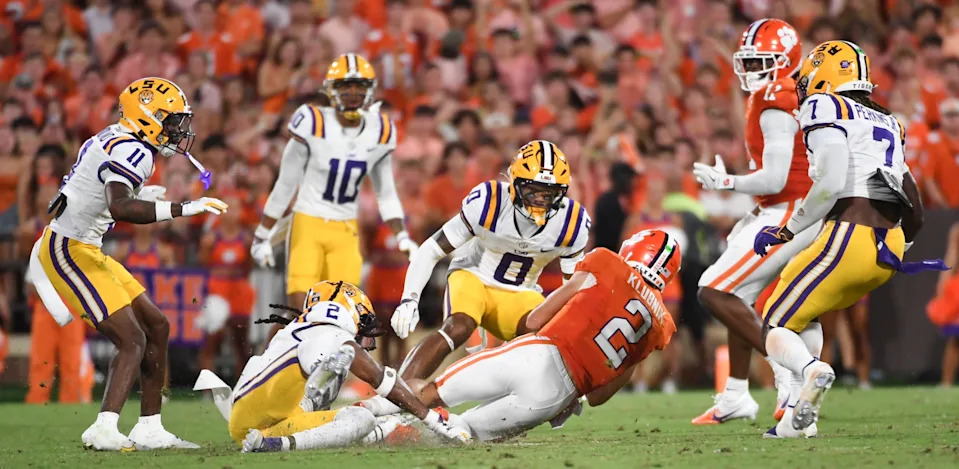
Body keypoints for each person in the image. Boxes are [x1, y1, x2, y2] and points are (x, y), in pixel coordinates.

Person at [754, 41, 946, 438]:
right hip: (889, 247)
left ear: (826, 74)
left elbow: (829, 183)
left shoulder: (825, 107)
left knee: (774, 321)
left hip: (849, 234)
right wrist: (894, 248)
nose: (805, 86)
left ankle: (812, 371)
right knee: (804, 314)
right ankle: (797, 420)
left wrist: (789, 228)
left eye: (809, 77)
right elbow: (916, 208)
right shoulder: (889, 120)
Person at [33, 77, 228, 451]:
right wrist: (183, 209)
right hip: (70, 250)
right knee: (132, 339)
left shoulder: (116, 136)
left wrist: (142, 194)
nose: (176, 131)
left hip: (83, 245)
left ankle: (149, 427)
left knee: (157, 325)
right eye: (170, 122)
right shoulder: (134, 151)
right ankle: (104, 426)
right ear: (147, 118)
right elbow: (120, 205)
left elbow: (98, 191)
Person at [361, 140, 591, 415]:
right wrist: (410, 299)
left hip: (521, 292)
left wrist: (569, 367)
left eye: (549, 193)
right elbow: (432, 249)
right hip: (474, 276)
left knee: (543, 339)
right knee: (459, 326)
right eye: (533, 191)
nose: (540, 200)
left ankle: (509, 415)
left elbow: (571, 288)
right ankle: (394, 399)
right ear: (515, 183)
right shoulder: (489, 202)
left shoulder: (572, 222)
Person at [410, 230, 678, 441]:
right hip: (558, 395)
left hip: (539, 354)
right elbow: (598, 397)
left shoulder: (607, 262)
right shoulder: (661, 325)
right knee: (461, 430)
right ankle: (389, 433)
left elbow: (536, 319)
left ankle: (376, 414)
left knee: (432, 392)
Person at [691, 19, 815, 426]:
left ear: (785, 60)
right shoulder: (779, 91)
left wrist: (726, 182)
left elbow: (776, 178)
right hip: (784, 206)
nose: (752, 69)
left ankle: (790, 370)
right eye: (748, 61)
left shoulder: (777, 99)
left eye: (762, 61)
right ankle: (735, 394)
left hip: (790, 210)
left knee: (713, 290)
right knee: (736, 295)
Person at [250, 53, 416, 329]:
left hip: (346, 229)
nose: (353, 93)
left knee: (346, 317)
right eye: (345, 86)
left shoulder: (381, 129)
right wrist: (262, 235)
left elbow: (385, 191)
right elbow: (286, 183)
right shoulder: (312, 122)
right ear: (331, 90)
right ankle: (264, 366)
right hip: (308, 223)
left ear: (370, 91)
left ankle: (333, 372)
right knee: (298, 314)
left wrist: (401, 235)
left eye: (360, 86)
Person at [212, 281, 469, 452]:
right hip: (261, 423)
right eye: (362, 319)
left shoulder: (297, 328)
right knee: (361, 417)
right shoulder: (332, 334)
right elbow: (381, 379)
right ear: (347, 310)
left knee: (341, 394)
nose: (364, 331)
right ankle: (276, 445)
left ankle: (384, 427)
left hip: (258, 414)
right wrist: (432, 420)